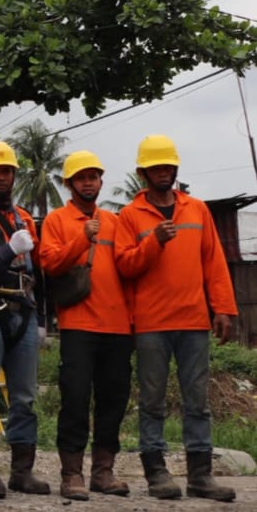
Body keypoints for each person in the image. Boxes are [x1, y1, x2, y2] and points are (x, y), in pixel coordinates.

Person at [115, 135, 237, 502]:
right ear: (143, 173)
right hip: (151, 324)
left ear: (175, 169)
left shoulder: (197, 210)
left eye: (168, 166)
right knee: (152, 401)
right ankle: (157, 475)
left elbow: (213, 262)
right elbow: (124, 266)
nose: (163, 172)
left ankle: (201, 477)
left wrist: (224, 308)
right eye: (156, 168)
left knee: (197, 401)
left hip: (194, 322)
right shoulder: (130, 216)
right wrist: (154, 242)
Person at [40, 150, 132, 501]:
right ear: (69, 184)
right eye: (81, 177)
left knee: (113, 400)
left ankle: (104, 472)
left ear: (100, 181)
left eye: (93, 176)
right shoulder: (56, 220)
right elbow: (50, 263)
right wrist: (82, 236)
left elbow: (128, 267)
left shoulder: (116, 220)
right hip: (78, 325)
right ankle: (72, 474)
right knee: (75, 399)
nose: (88, 182)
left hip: (118, 327)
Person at [0, 141, 50, 499]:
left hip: (24, 310)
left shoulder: (23, 218)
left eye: (6, 171)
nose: (2, 177)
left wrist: (44, 315)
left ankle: (22, 471)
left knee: (25, 397)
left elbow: (39, 270)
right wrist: (9, 249)